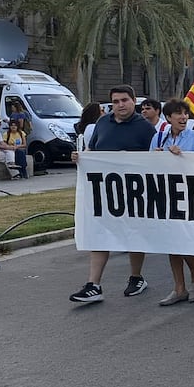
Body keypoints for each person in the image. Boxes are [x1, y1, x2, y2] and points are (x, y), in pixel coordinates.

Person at [69, 85, 156, 303]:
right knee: (100, 234)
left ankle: (136, 277)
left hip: (135, 192)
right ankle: (93, 285)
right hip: (104, 192)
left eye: (124, 100)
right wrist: (82, 158)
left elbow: (156, 158)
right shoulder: (102, 123)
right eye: (115, 101)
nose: (120, 105)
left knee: (134, 235)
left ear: (134, 101)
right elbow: (92, 150)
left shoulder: (144, 128)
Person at [151, 99, 194, 306]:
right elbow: (147, 166)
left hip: (189, 195)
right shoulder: (159, 138)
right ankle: (179, 287)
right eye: (178, 113)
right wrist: (156, 157)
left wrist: (183, 156)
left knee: (184, 240)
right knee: (171, 242)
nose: (183, 117)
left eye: (185, 113)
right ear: (168, 118)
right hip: (167, 195)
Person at [0, 115, 20, 180]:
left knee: (10, 153)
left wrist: (9, 147)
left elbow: (2, 142)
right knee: (8, 156)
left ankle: (12, 167)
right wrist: (8, 148)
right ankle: (14, 172)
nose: (0, 124)